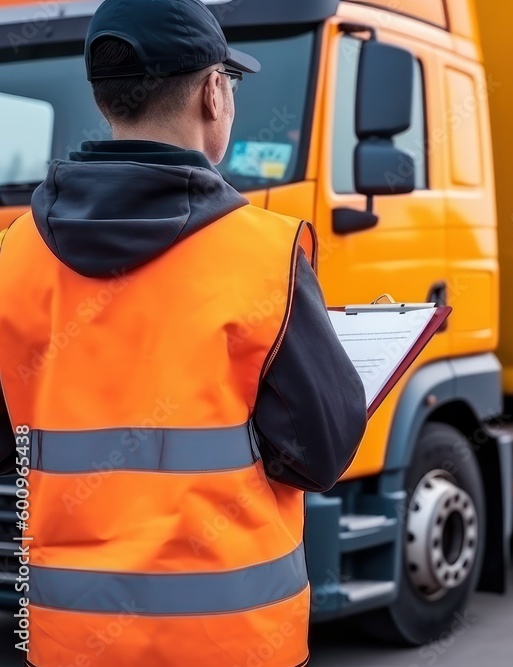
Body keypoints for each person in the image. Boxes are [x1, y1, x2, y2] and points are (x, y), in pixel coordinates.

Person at [0, 0, 367, 665]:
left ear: (105, 98)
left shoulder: (14, 256)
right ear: (212, 92)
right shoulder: (264, 253)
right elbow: (323, 452)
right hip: (232, 641)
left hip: (68, 642)